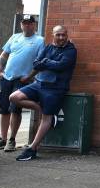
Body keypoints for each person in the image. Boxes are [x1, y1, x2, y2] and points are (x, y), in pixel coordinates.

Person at [10, 25, 77, 161]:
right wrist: (47, 63)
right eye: (58, 35)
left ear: (67, 35)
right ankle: (42, 109)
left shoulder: (71, 50)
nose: (61, 37)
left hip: (55, 88)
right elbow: (36, 64)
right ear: (53, 35)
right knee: (14, 97)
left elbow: (61, 66)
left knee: (45, 119)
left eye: (63, 35)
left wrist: (45, 62)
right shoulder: (47, 48)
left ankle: (32, 149)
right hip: (38, 84)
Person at [0, 15, 44, 152]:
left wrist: (30, 76)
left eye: (29, 23)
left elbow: (40, 62)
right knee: (4, 109)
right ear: (21, 25)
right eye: (24, 23)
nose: (26, 25)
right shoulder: (14, 37)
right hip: (7, 78)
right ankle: (2, 139)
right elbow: (4, 55)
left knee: (15, 109)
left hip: (22, 80)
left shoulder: (39, 40)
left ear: (34, 25)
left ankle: (12, 140)